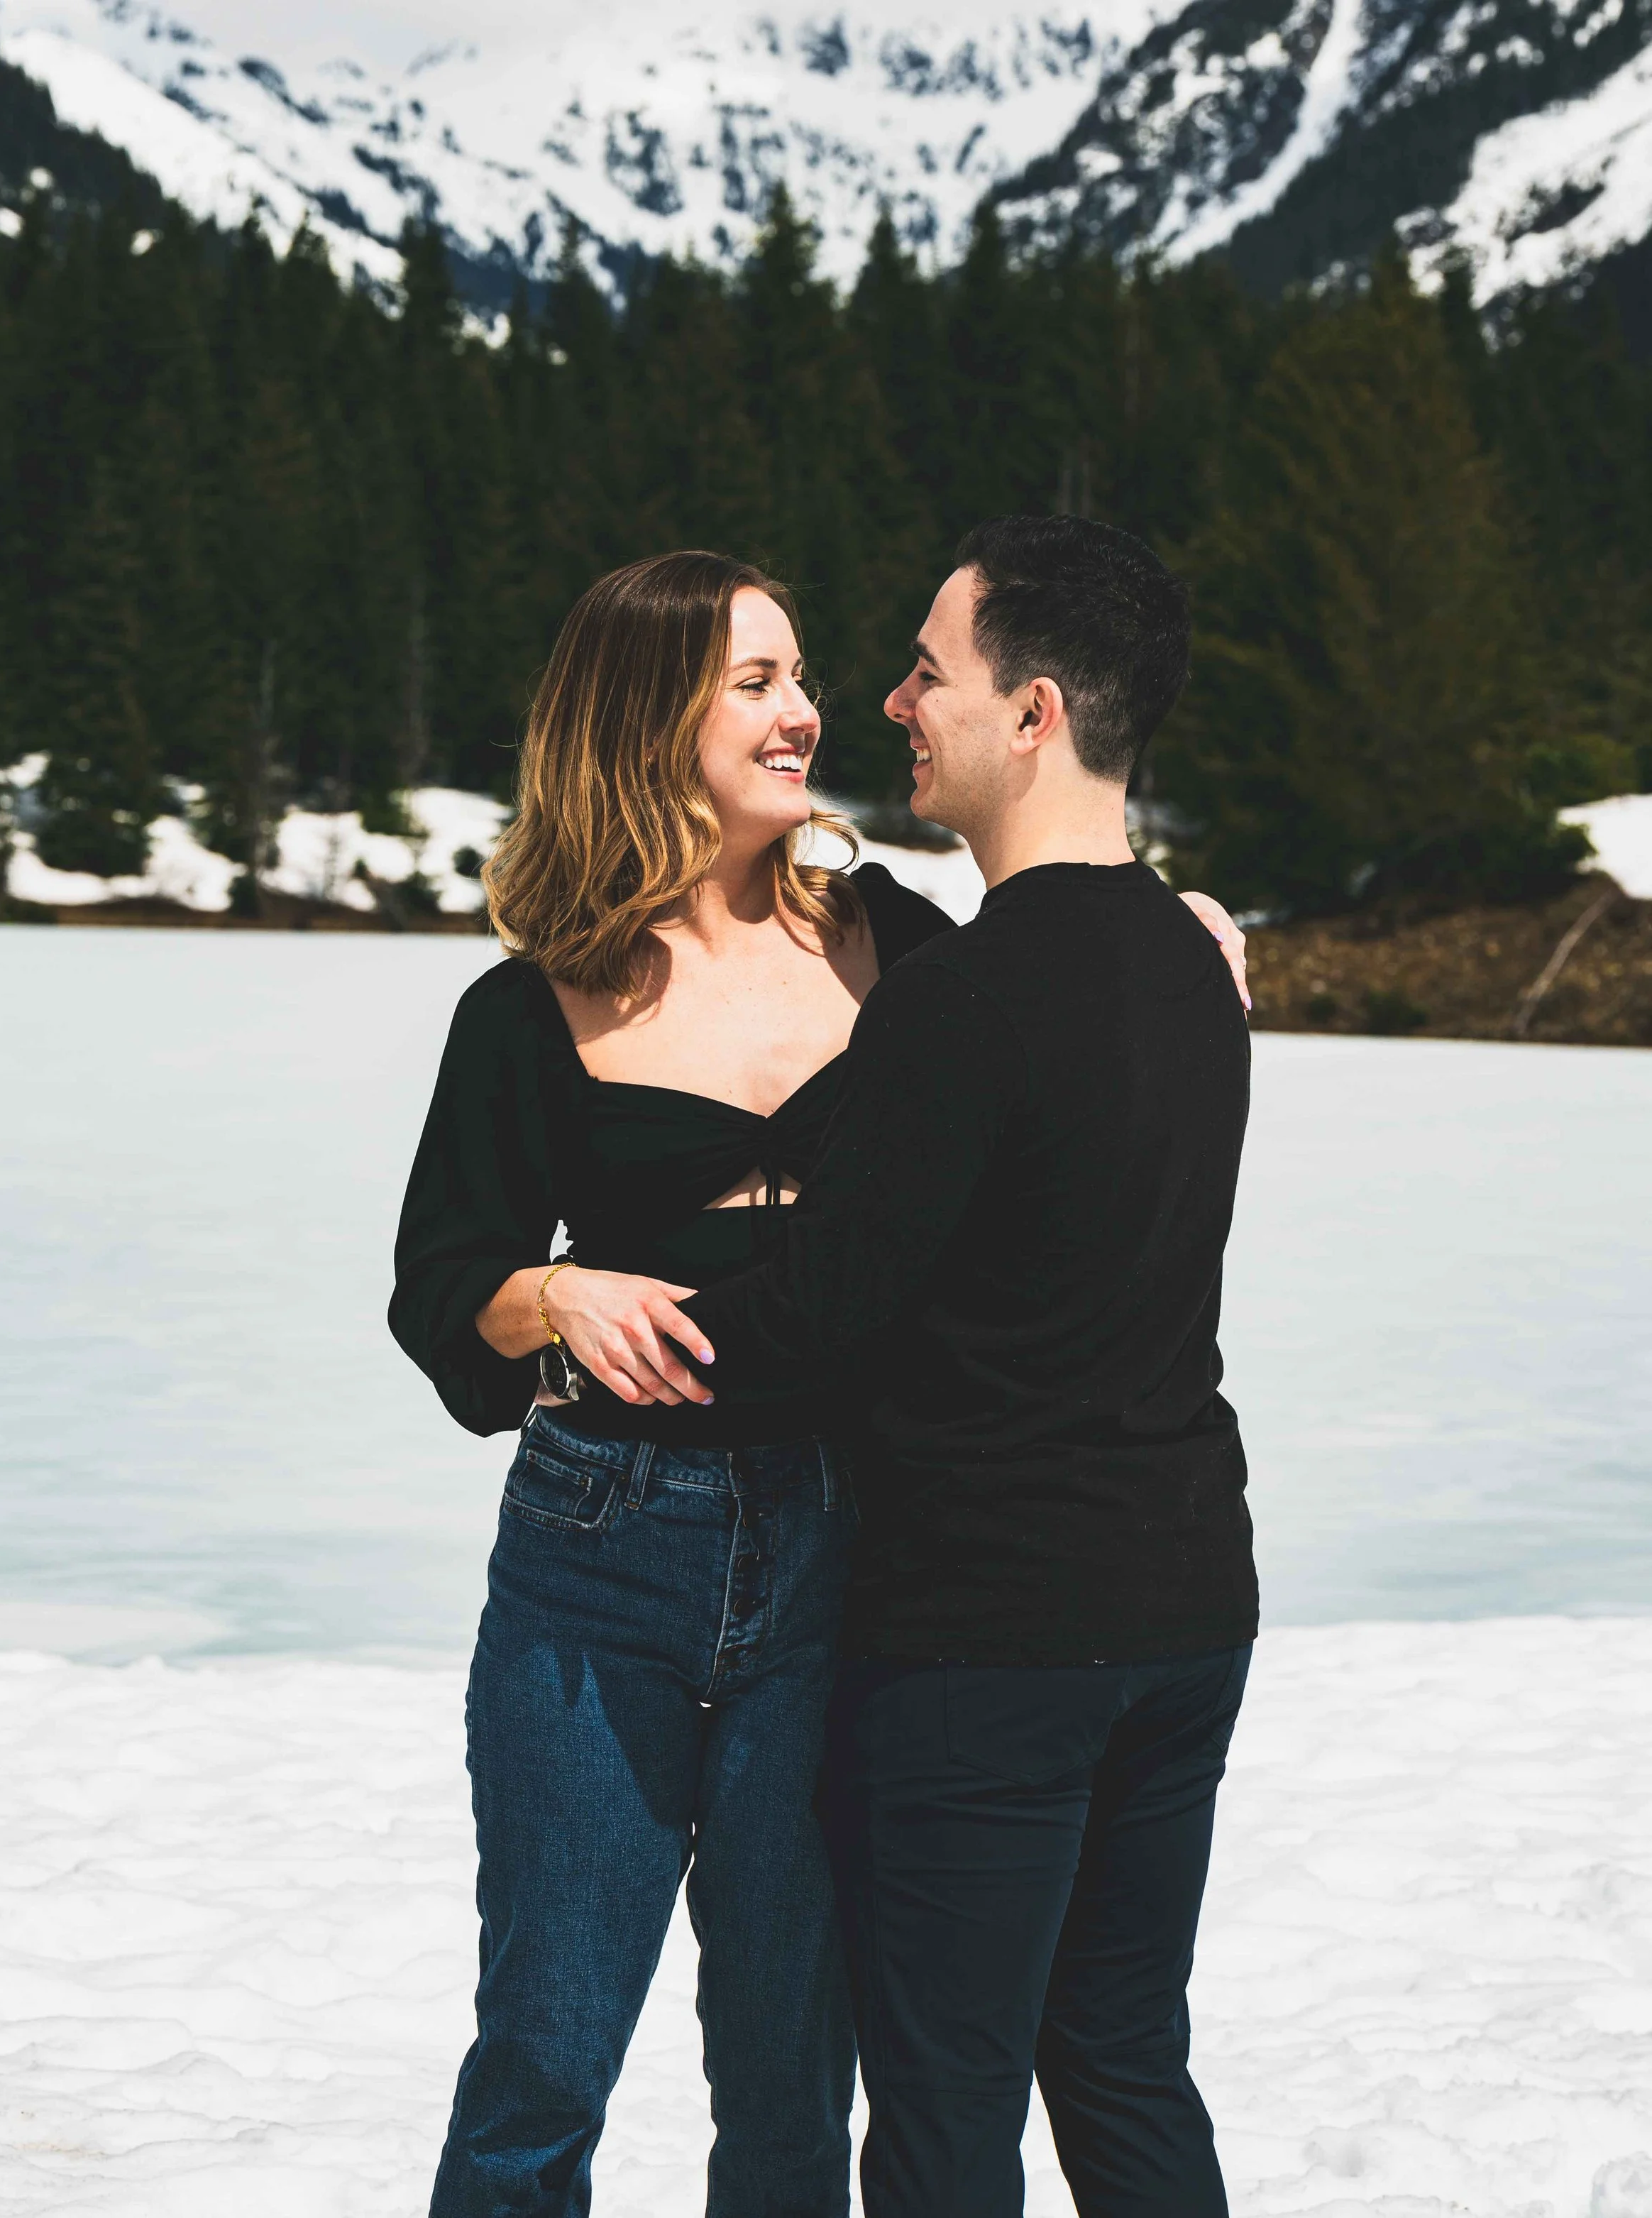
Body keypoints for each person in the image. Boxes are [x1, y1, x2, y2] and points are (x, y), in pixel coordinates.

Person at [388, 546, 1248, 2217]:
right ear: (648, 719)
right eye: (758, 682)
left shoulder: (896, 942)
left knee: (793, 2070)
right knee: (543, 2059)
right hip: (606, 1547)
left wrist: (1175, 927)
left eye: (802, 673)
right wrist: (545, 1289)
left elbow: (1055, 1006)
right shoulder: (530, 1000)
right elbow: (440, 1292)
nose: (810, 713)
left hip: (851, 1548)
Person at [651, 515, 1262, 2218]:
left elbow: (820, 1321)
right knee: (1124, 2055)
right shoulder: (1189, 965)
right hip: (1183, 1605)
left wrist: (587, 1324)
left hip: (988, 1635)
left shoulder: (967, 996)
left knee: (941, 2104)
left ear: (1034, 711)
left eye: (933, 665)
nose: (896, 699)